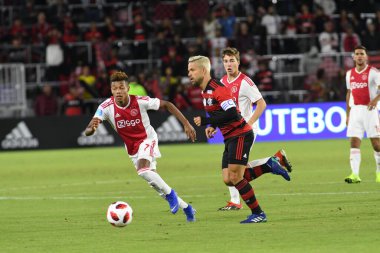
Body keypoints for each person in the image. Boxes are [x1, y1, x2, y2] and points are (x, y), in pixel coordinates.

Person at [188, 56, 291, 223]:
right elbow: (219, 113)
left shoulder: (217, 88)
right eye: (188, 71)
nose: (189, 74)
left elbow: (231, 113)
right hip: (230, 137)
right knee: (228, 179)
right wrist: (213, 125)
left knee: (236, 177)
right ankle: (268, 165)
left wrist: (207, 121)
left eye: (192, 70)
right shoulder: (205, 91)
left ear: (204, 70)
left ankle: (258, 213)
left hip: (240, 134)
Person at [84, 71, 197, 221]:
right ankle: (188, 209)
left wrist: (186, 124)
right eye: (115, 88)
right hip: (132, 149)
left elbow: (167, 105)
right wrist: (91, 129)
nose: (118, 91)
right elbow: (88, 130)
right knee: (156, 184)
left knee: (144, 170)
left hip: (147, 139)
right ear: (111, 90)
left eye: (121, 87)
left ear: (128, 88)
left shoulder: (140, 101)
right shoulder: (105, 107)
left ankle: (171, 195)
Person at [217, 47, 293, 211]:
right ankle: (272, 161)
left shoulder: (245, 82)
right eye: (225, 61)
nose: (228, 64)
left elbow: (261, 104)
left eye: (232, 60)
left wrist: (249, 123)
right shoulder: (222, 82)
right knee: (234, 170)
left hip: (244, 132)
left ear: (238, 62)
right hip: (231, 131)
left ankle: (236, 201)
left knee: (235, 169)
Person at [345, 45, 380, 184]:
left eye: (362, 54)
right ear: (353, 57)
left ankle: (378, 173)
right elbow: (349, 93)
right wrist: (348, 114)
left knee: (376, 144)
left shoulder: (374, 72)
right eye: (357, 54)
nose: (359, 56)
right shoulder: (349, 74)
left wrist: (375, 99)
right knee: (354, 142)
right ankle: (355, 174)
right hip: (355, 112)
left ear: (366, 57)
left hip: (370, 112)